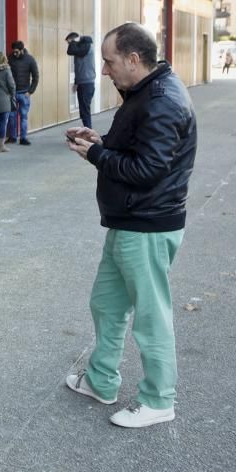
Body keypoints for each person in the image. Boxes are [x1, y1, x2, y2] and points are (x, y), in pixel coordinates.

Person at [64, 22, 197, 428]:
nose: (104, 70)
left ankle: (159, 399)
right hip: (132, 221)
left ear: (134, 60)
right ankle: (102, 380)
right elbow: (141, 150)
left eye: (109, 61)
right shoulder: (146, 92)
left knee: (151, 316)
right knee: (107, 304)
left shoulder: (162, 101)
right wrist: (102, 142)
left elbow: (147, 170)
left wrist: (97, 157)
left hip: (148, 224)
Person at [6, 40, 39, 146]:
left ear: (21, 50)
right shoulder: (10, 58)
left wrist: (30, 91)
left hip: (25, 93)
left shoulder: (30, 59)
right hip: (12, 93)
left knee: (23, 116)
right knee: (12, 116)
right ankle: (12, 137)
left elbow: (36, 76)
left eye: (16, 52)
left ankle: (23, 138)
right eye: (13, 52)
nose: (14, 54)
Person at [66, 32, 96, 129]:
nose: (69, 45)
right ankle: (87, 130)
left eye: (69, 42)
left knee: (85, 109)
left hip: (87, 83)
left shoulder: (86, 47)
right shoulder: (81, 50)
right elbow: (78, 67)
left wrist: (72, 41)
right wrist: (76, 82)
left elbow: (71, 50)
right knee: (83, 110)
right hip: (83, 82)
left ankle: (88, 132)